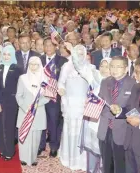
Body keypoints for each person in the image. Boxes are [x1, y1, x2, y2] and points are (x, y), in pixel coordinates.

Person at [67, 41, 112, 173]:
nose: (104, 69)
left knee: (105, 153)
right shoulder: (94, 75)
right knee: (92, 152)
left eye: (107, 66)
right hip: (93, 121)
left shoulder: (115, 82)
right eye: (102, 65)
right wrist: (73, 52)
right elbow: (80, 66)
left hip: (107, 122)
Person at [111, 57, 140, 173]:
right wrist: (119, 110)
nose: (134, 75)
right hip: (129, 143)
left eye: (138, 72)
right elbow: (130, 109)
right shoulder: (136, 87)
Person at [97, 56, 136, 173]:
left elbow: (135, 111)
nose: (114, 69)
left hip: (122, 130)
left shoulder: (134, 84)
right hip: (105, 129)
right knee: (106, 164)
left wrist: (120, 111)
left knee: (120, 165)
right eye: (112, 66)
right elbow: (101, 101)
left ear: (126, 68)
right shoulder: (105, 81)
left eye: (118, 67)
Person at [57, 43, 90, 171]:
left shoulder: (89, 67)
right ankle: (69, 157)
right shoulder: (66, 66)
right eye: (77, 53)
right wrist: (61, 89)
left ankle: (81, 160)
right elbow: (61, 82)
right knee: (70, 131)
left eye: (82, 53)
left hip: (84, 104)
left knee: (82, 132)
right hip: (70, 103)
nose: (79, 55)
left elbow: (93, 85)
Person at [16, 56, 49, 166]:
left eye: (36, 64)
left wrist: (36, 105)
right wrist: (26, 107)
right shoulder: (23, 78)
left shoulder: (45, 80)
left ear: (40, 66)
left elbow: (48, 97)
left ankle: (33, 158)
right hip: (25, 112)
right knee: (25, 135)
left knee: (36, 137)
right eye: (31, 64)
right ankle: (24, 158)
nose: (33, 67)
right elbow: (18, 96)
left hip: (38, 112)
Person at [38, 38, 68, 157]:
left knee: (53, 123)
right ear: (43, 47)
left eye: (51, 45)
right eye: (46, 45)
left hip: (55, 98)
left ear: (55, 47)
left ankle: (54, 146)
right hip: (40, 97)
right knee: (40, 122)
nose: (48, 48)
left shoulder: (62, 61)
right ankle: (40, 146)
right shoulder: (38, 60)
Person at [0, 45, 22, 160]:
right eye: (4, 54)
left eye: (8, 54)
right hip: (1, 101)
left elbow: (21, 86)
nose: (6, 57)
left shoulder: (18, 68)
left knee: (9, 127)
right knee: (0, 126)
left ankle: (10, 152)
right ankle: (2, 149)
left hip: (12, 102)